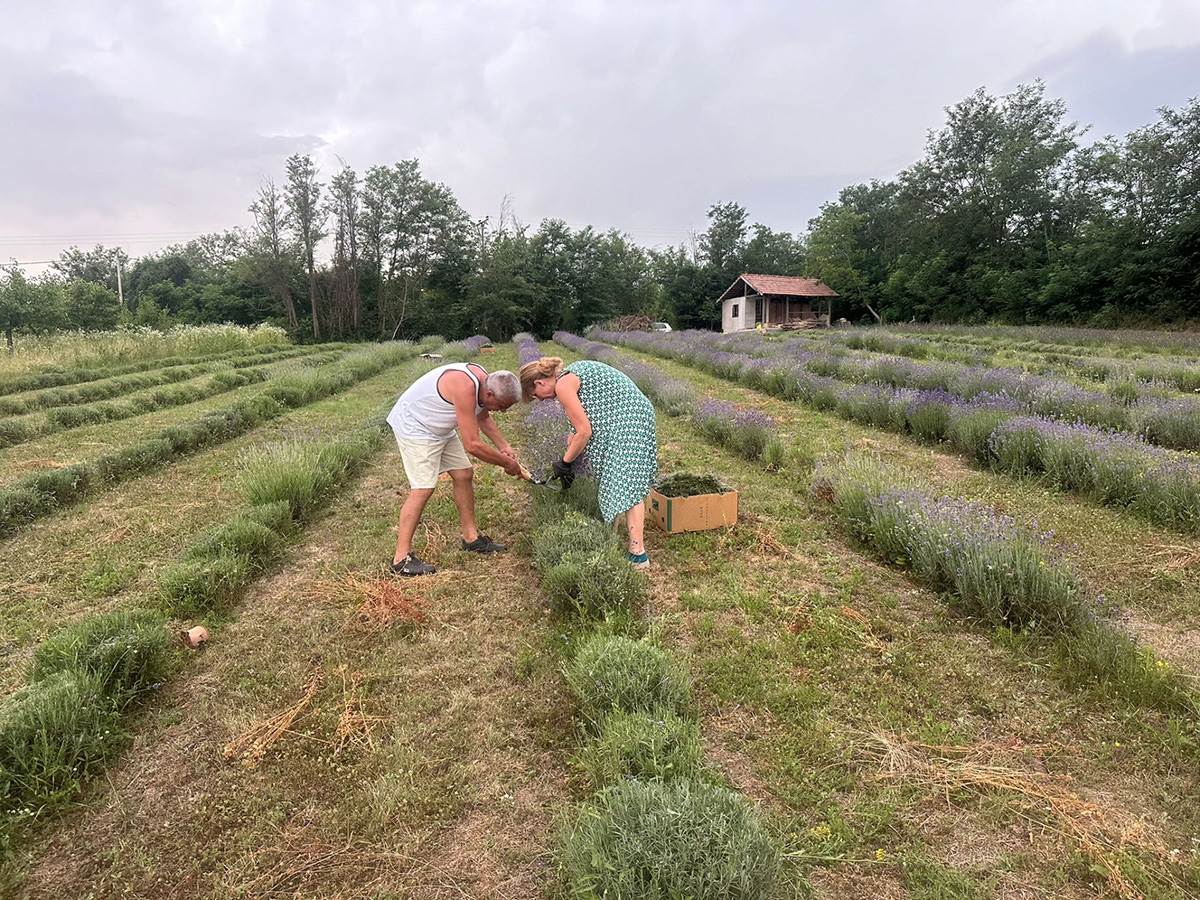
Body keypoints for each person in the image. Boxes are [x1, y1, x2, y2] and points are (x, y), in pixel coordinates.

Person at [387, 361, 524, 576]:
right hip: (416, 425)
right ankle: (401, 559)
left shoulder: (484, 383)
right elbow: (473, 445)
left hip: (440, 426)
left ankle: (471, 539)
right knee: (423, 488)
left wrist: (504, 446)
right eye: (502, 406)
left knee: (463, 474)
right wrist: (507, 463)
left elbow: (482, 415)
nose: (504, 411)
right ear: (489, 393)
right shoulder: (465, 387)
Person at [519, 356, 657, 568]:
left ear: (539, 383)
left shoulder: (564, 384)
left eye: (536, 396)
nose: (541, 400)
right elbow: (575, 431)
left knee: (628, 482)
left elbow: (584, 431)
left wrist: (565, 463)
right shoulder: (569, 376)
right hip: (627, 417)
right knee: (619, 477)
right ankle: (622, 532)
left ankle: (638, 554)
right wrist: (569, 460)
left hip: (630, 420)